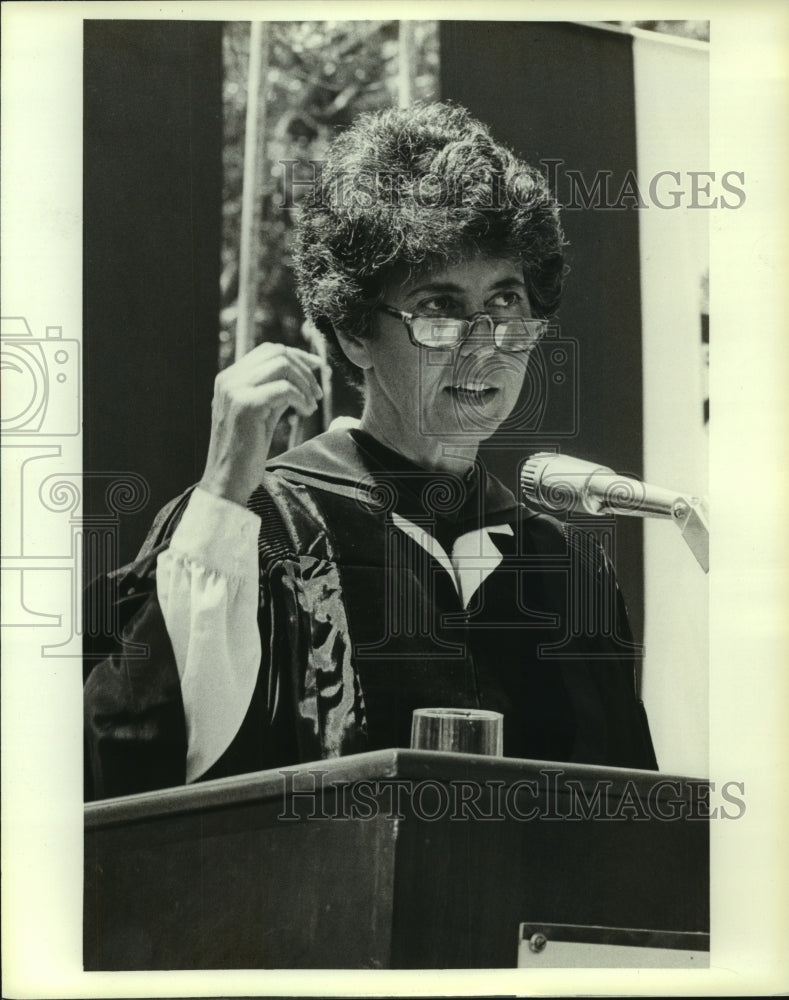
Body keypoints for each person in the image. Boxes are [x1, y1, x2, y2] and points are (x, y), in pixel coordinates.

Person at [83, 102, 657, 801]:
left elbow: (627, 830)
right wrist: (219, 501)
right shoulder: (258, 530)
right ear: (355, 331)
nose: (482, 345)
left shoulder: (564, 568)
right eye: (438, 308)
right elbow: (127, 767)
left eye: (505, 302)